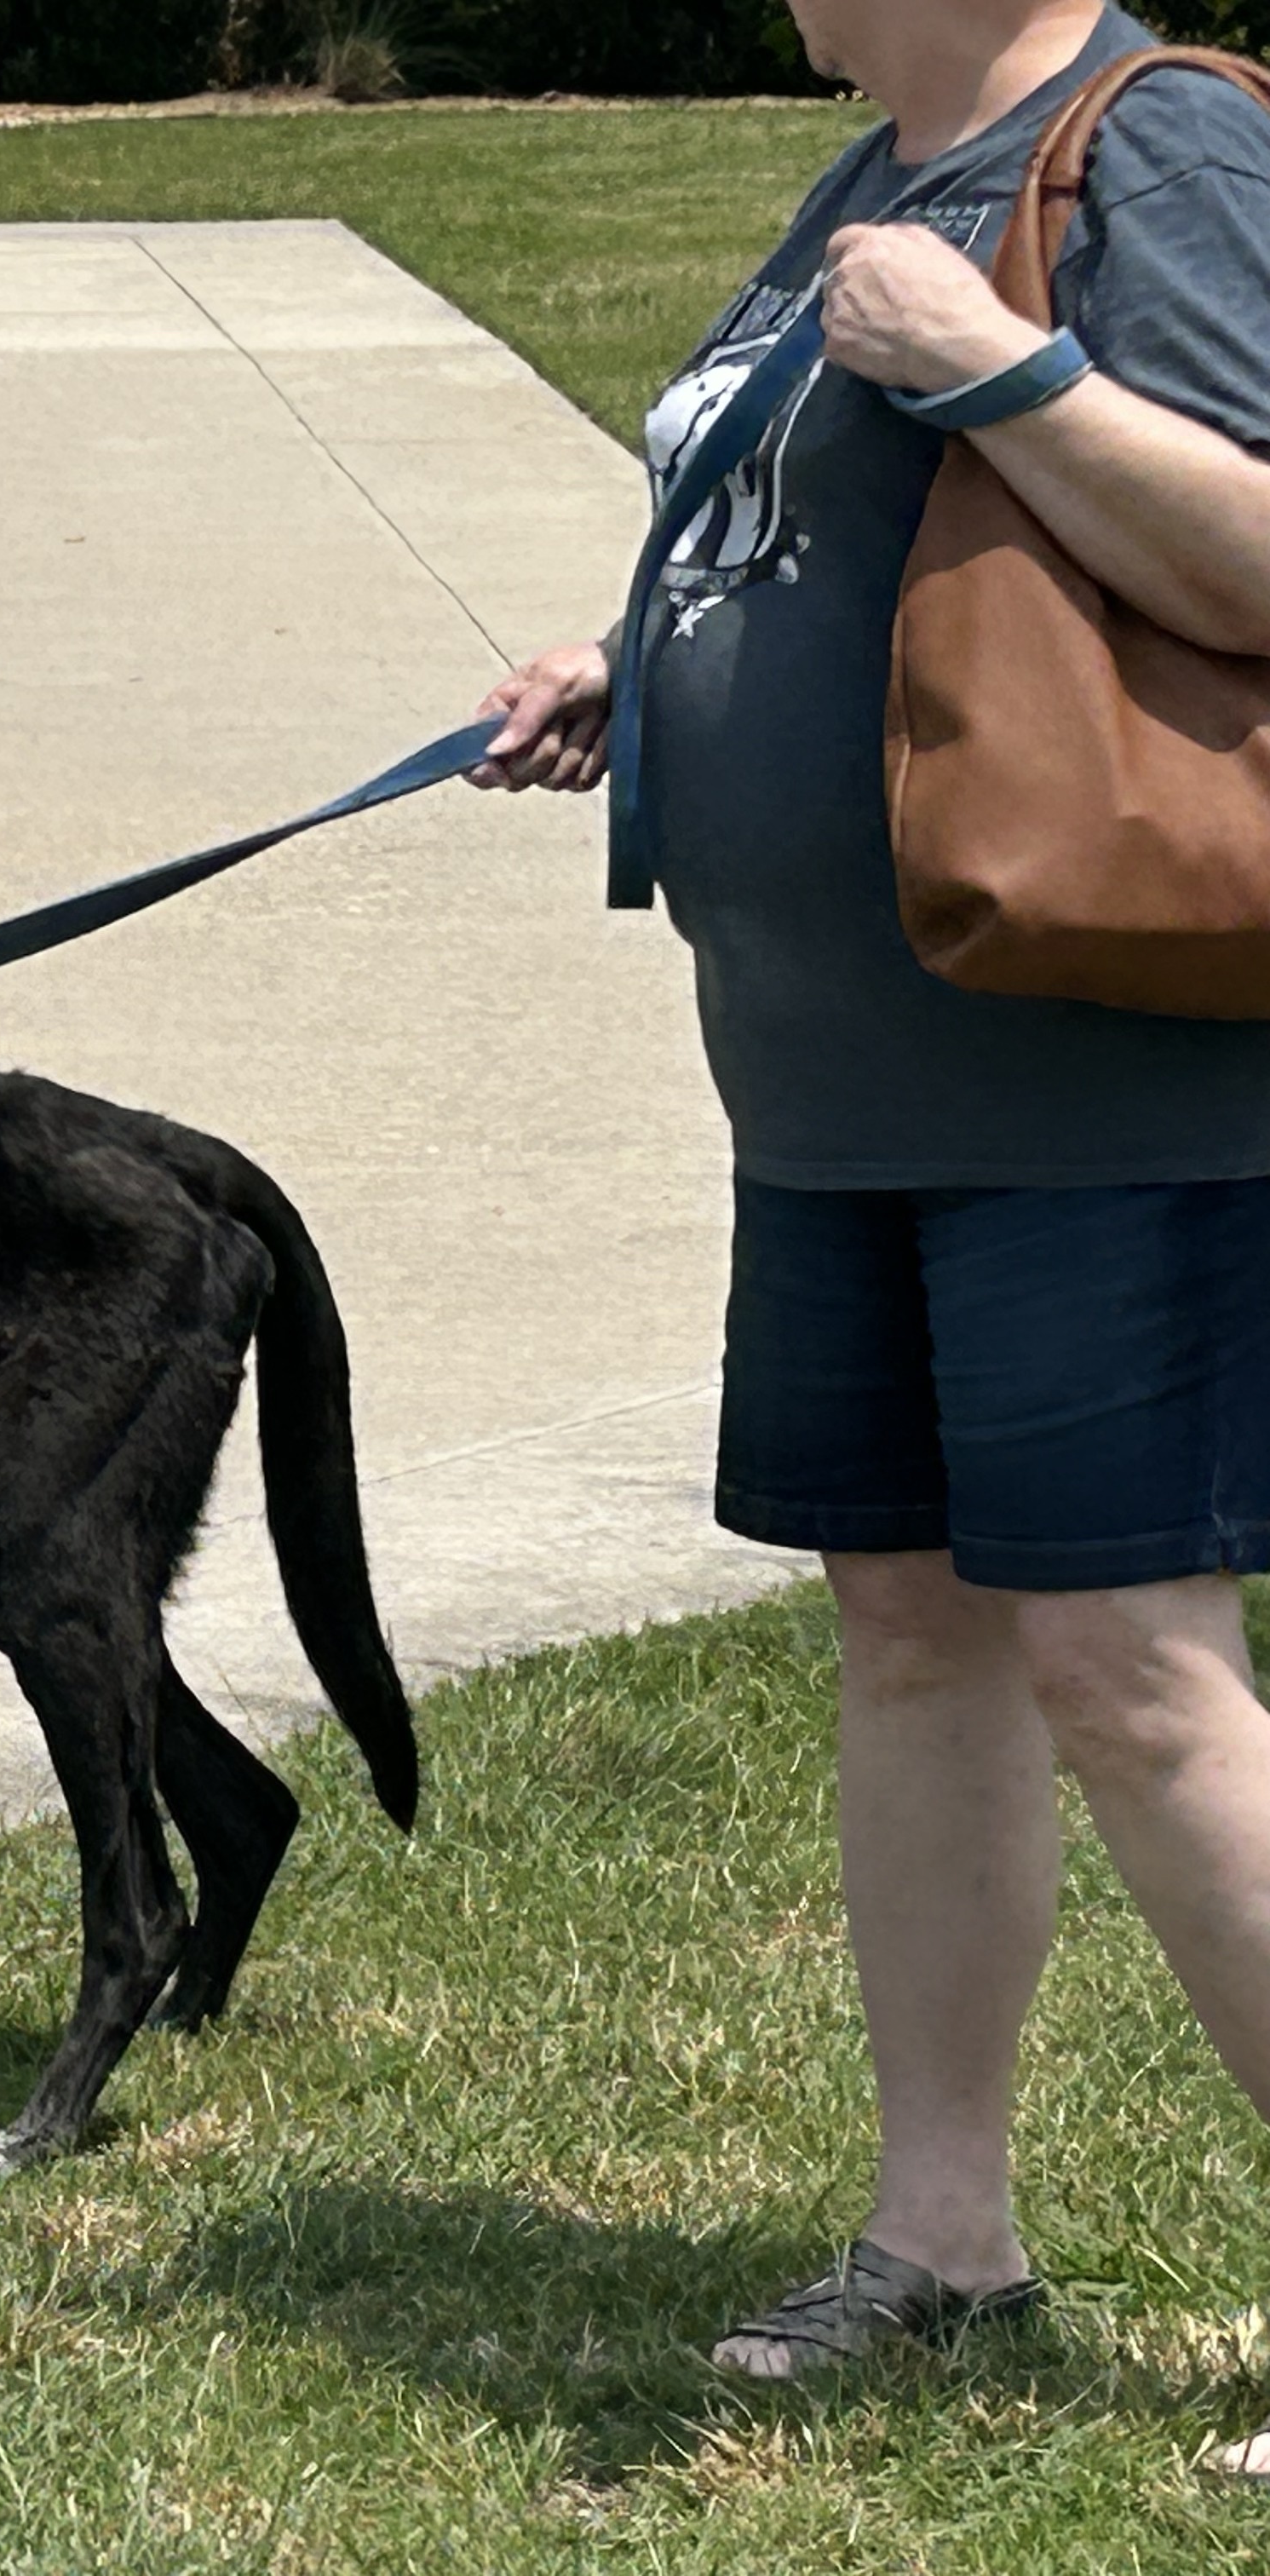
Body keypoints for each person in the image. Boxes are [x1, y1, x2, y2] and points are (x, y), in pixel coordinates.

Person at [472, 0, 1270, 2470]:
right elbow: (856, 529)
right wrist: (662, 650)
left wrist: (1003, 369)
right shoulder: (877, 172)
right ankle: (943, 2237)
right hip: (839, 1094)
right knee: (912, 1635)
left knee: (1134, 1674)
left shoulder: (1165, 148)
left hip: (1097, 1085)